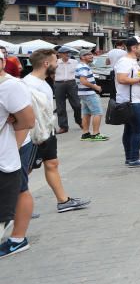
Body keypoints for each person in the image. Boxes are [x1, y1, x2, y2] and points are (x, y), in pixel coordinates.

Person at [21, 49, 90, 214]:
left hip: (47, 131)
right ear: (46, 64)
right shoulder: (26, 84)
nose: (57, 64)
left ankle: (63, 201)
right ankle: (17, 208)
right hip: (35, 135)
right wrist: (36, 135)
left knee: (52, 164)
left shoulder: (44, 82)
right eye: (55, 61)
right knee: (25, 170)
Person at [0, 70, 34, 261]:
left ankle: (17, 238)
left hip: (12, 147)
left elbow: (28, 121)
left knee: (21, 188)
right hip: (8, 149)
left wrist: (11, 149)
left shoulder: (10, 85)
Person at [115, 38, 140, 168]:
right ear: (134, 48)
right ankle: (134, 158)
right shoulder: (125, 61)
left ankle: (130, 158)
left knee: (130, 130)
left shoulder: (132, 61)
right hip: (131, 101)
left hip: (134, 100)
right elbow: (121, 79)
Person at [76, 50, 107, 141]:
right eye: (88, 55)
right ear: (82, 57)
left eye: (91, 54)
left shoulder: (80, 66)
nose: (91, 56)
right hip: (89, 93)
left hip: (83, 93)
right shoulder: (84, 67)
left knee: (87, 113)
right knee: (97, 112)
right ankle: (95, 134)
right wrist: (96, 87)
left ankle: (85, 134)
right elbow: (83, 80)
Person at [53, 46, 82, 133]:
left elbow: (78, 73)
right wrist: (55, 82)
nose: (67, 54)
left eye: (68, 53)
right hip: (59, 83)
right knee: (60, 106)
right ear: (60, 54)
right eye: (65, 53)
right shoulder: (56, 62)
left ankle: (79, 120)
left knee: (77, 105)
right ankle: (63, 126)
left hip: (71, 83)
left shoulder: (74, 62)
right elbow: (51, 73)